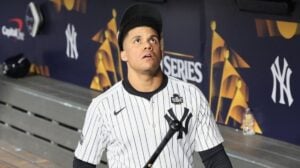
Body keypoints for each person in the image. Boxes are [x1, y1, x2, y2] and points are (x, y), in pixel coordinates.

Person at [73, 3, 232, 168]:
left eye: (153, 40)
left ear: (161, 49)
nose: (147, 45)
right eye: (137, 40)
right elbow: (83, 164)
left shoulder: (191, 96)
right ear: (123, 53)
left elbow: (216, 160)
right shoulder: (103, 106)